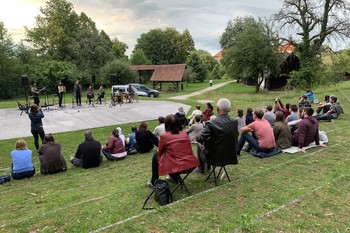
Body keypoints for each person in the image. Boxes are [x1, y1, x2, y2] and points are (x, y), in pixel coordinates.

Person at [148, 114, 198, 188]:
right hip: (191, 164)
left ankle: (154, 181)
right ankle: (174, 177)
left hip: (178, 166)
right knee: (171, 159)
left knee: (156, 156)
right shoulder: (184, 133)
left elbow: (160, 152)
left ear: (166, 124)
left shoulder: (164, 136)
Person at [196, 98, 238, 173]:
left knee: (199, 144)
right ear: (229, 109)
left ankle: (200, 168)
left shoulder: (211, 123)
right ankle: (206, 165)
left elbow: (199, 138)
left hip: (214, 157)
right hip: (230, 156)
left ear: (217, 108)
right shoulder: (234, 121)